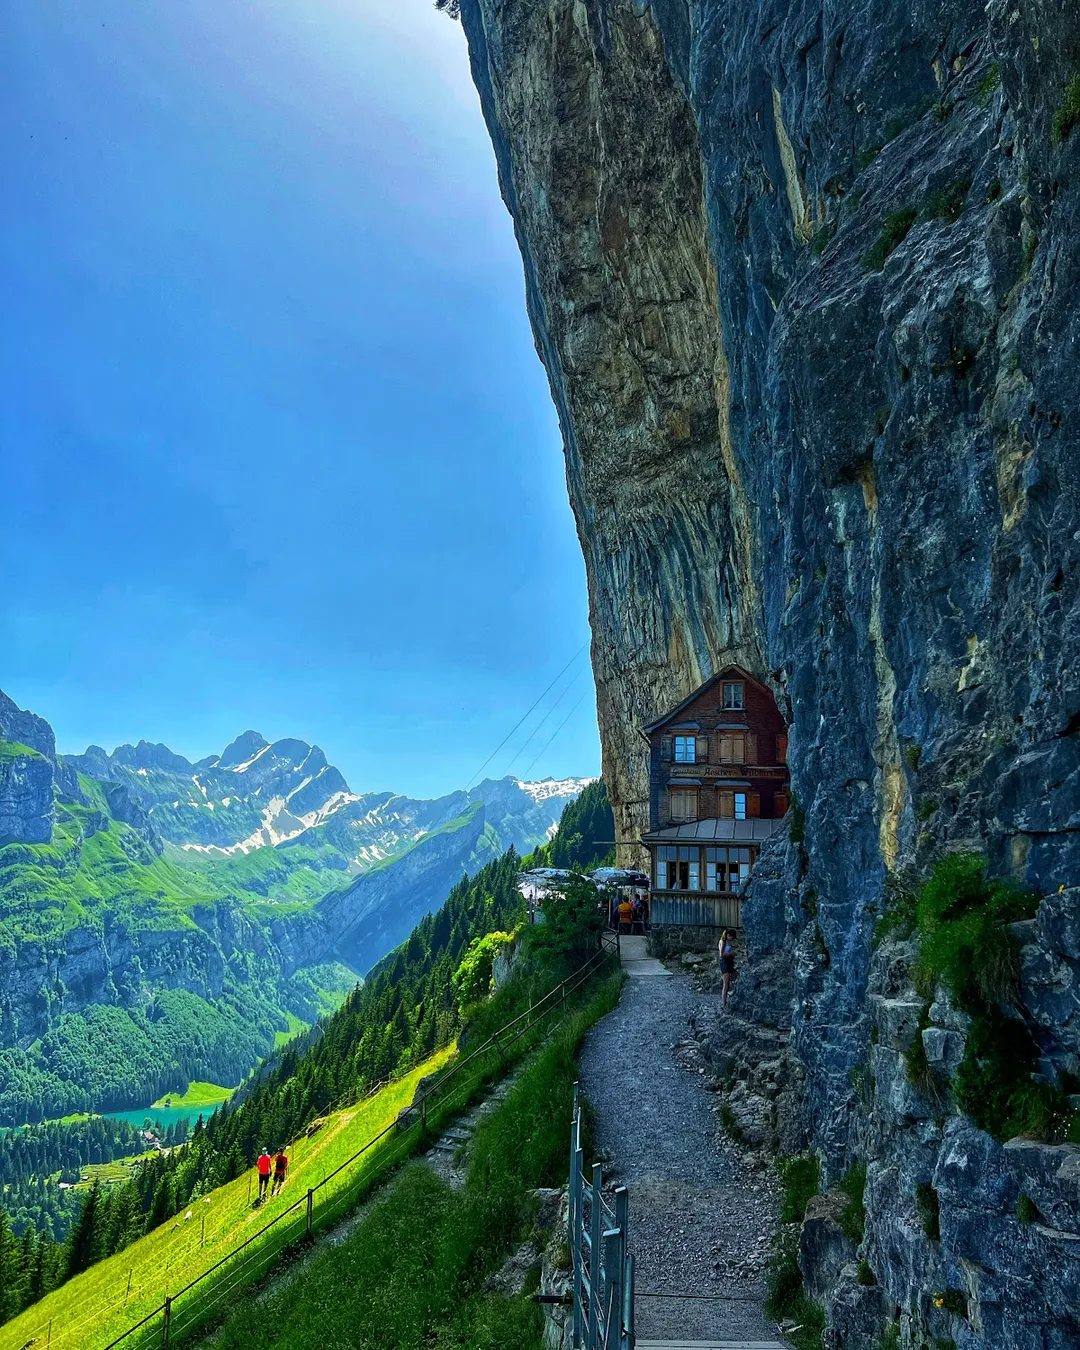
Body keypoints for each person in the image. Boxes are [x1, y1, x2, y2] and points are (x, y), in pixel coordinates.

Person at [719, 929, 736, 1010]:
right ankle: (724, 1004)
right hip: (724, 962)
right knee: (725, 984)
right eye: (732, 937)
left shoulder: (727, 942)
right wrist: (730, 954)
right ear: (728, 935)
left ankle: (731, 995)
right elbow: (721, 954)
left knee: (734, 977)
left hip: (729, 962)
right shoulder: (723, 942)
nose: (732, 939)